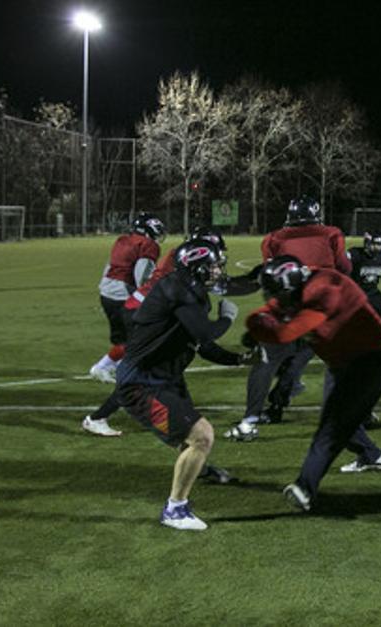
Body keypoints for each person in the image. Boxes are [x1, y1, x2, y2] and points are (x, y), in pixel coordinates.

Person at [114, 239, 249, 530]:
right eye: (212, 265)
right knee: (202, 436)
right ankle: (175, 509)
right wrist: (227, 319)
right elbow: (206, 336)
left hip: (165, 377)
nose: (217, 270)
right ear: (198, 266)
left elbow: (204, 347)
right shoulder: (178, 290)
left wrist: (240, 360)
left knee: (192, 437)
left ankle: (194, 470)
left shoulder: (189, 289)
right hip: (141, 383)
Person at [247, 255, 381, 511]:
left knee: (331, 426)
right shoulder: (300, 286)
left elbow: (284, 333)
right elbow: (262, 316)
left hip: (369, 362)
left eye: (277, 294)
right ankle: (371, 455)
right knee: (337, 420)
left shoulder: (325, 289)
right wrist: (259, 323)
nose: (274, 301)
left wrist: (259, 327)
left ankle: (305, 488)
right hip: (342, 362)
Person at [82, 227, 256, 437]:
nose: (218, 268)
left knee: (163, 362)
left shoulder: (186, 274)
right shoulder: (182, 284)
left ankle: (104, 390)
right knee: (145, 368)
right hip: (146, 309)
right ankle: (99, 412)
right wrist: (229, 315)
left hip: (150, 308)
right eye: (213, 259)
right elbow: (204, 331)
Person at [229, 195, 353, 439]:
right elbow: (345, 269)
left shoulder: (274, 238)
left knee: (267, 361)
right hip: (323, 308)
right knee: (339, 362)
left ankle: (250, 421)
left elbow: (271, 274)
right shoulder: (331, 234)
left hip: (287, 308)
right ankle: (357, 415)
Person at [89, 212, 165, 385]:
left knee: (126, 339)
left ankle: (107, 367)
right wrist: (146, 297)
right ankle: (115, 369)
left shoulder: (122, 240)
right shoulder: (148, 245)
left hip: (107, 292)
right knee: (141, 338)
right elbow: (142, 274)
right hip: (123, 295)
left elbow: (110, 267)